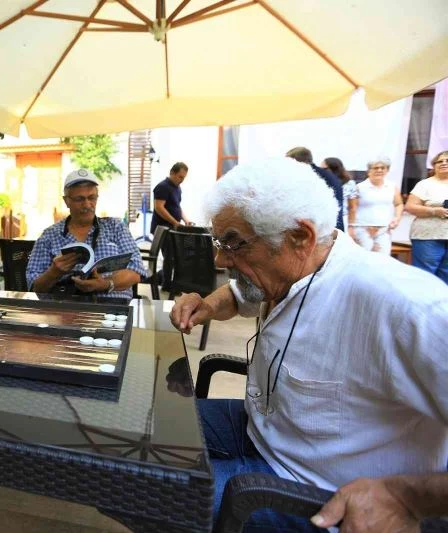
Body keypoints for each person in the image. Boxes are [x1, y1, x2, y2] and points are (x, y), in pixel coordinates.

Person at [169, 158, 448, 532]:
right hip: (259, 431)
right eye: (219, 243)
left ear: (300, 236)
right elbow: (239, 293)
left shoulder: (412, 308)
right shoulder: (292, 269)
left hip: (312, 490)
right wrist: (207, 305)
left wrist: (406, 498)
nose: (220, 259)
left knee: (147, 489)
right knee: (150, 426)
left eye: (233, 243)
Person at [26, 169, 147, 300]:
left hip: (113, 306)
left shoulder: (115, 227)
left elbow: (136, 271)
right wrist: (54, 272)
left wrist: (105, 284)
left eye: (92, 198)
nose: (87, 204)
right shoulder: (49, 236)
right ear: (66, 201)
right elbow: (34, 288)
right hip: (65, 308)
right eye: (79, 199)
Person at [405, 150, 448, 283]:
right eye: (439, 161)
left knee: (446, 276)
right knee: (425, 276)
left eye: (447, 161)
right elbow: (410, 207)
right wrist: (435, 211)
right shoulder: (425, 184)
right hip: (428, 236)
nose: (444, 163)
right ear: (433, 166)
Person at [150, 162, 193, 291]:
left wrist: (186, 220)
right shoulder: (162, 187)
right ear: (172, 173)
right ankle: (167, 285)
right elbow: (159, 207)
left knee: (175, 256)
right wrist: (175, 222)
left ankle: (170, 283)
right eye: (180, 177)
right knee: (169, 256)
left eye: (184, 177)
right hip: (163, 228)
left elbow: (177, 207)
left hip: (173, 227)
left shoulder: (177, 188)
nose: (182, 180)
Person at [352, 156, 404, 254]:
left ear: (387, 170)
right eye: (375, 168)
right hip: (362, 229)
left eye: (383, 168)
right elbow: (352, 208)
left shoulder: (392, 186)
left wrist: (397, 218)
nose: (379, 170)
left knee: (383, 261)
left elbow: (399, 204)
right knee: (365, 260)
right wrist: (352, 229)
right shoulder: (359, 187)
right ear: (369, 171)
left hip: (384, 230)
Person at [286, 147, 344, 231]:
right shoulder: (324, 174)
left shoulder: (310, 175)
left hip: (324, 228)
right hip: (333, 225)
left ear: (298, 161)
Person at [323, 156, 358, 232]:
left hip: (342, 218)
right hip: (324, 219)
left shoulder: (349, 184)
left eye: (324, 169)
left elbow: (352, 207)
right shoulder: (321, 183)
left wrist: (351, 226)